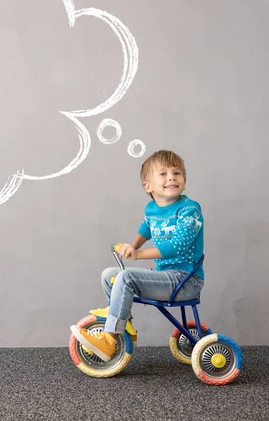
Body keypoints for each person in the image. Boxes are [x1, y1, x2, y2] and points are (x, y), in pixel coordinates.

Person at [70, 150, 205, 361]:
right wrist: (131, 245)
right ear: (148, 186)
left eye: (176, 173)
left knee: (126, 277)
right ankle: (125, 326)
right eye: (163, 174)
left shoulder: (189, 210)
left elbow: (178, 246)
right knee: (109, 275)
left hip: (185, 280)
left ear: (184, 181)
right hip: (165, 276)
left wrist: (138, 254)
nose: (171, 177)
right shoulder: (152, 208)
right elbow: (146, 228)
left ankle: (110, 337)